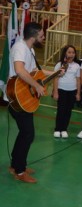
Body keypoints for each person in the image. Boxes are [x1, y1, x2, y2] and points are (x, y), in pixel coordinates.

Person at [7, 22, 48, 183]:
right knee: (28, 133)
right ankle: (19, 171)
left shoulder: (29, 49)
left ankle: (16, 164)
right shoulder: (20, 48)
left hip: (24, 98)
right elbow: (19, 70)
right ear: (34, 35)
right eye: (41, 35)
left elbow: (35, 72)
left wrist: (56, 72)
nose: (43, 37)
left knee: (25, 133)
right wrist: (36, 85)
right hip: (17, 98)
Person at [52, 45, 81, 138]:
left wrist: (78, 93)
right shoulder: (60, 64)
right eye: (69, 52)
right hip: (61, 90)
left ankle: (64, 129)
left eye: (73, 52)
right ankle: (57, 129)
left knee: (68, 111)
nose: (71, 54)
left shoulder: (77, 66)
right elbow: (55, 78)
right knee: (61, 110)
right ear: (65, 53)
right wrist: (55, 92)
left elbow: (78, 80)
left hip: (72, 91)